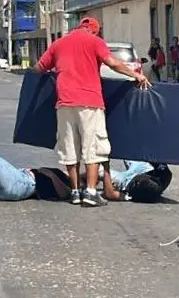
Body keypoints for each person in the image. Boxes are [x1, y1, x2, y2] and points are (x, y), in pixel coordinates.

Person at [34, 16, 151, 207]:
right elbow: (112, 62)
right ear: (94, 31)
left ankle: (74, 192)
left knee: (70, 149)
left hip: (64, 102)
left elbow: (39, 68)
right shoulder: (95, 41)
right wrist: (135, 74)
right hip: (89, 102)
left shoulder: (58, 43)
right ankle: (90, 192)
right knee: (93, 148)